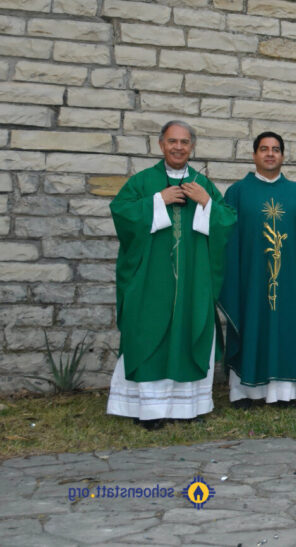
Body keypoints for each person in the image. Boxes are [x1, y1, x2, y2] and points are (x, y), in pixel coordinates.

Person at [107, 120, 236, 429]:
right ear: (161, 144)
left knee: (190, 331)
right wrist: (157, 201)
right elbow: (121, 214)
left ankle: (188, 409)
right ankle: (149, 411)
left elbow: (227, 222)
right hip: (150, 281)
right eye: (172, 141)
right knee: (147, 334)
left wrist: (206, 203)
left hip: (193, 283)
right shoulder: (142, 182)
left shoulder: (202, 185)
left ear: (192, 147)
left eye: (184, 142)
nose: (178, 147)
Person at [218, 132, 296, 410]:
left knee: (286, 326)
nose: (270, 154)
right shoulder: (237, 193)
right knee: (250, 325)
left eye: (276, 149)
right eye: (264, 149)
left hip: (289, 283)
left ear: (283, 155)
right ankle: (244, 394)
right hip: (250, 282)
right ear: (254, 155)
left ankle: (284, 395)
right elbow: (226, 240)